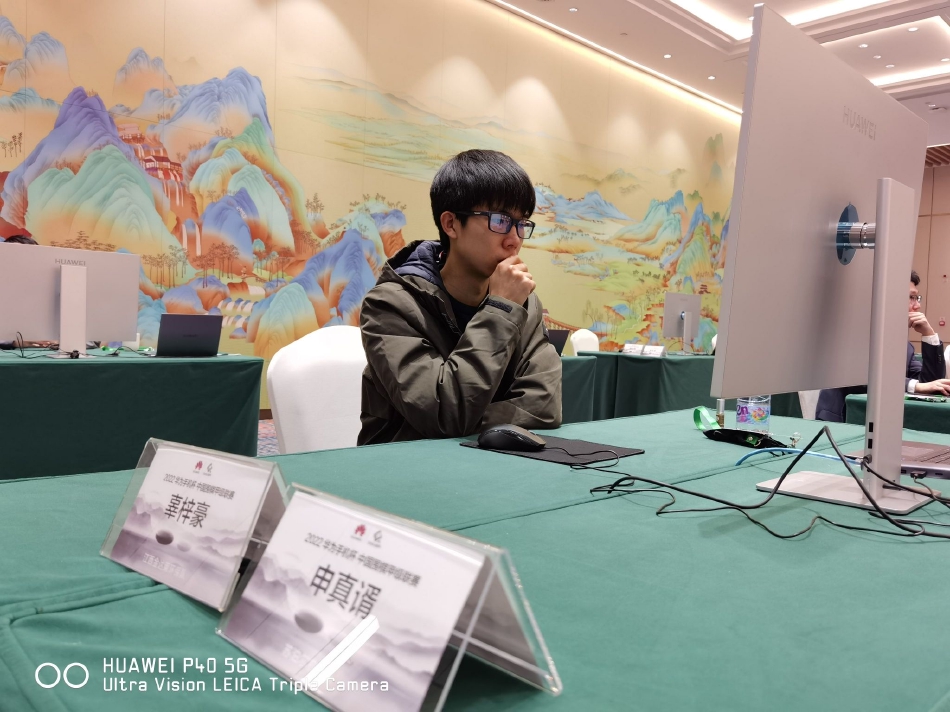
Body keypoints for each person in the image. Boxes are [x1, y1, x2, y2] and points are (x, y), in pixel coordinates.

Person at [358, 149, 562, 445]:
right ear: (451, 224)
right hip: (401, 464)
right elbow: (443, 414)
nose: (514, 239)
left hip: (492, 464)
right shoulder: (390, 305)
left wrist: (466, 424)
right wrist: (501, 309)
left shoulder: (524, 303)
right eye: (500, 220)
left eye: (521, 223)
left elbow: (545, 407)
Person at [816, 270, 949, 421]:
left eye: (917, 298)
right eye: (912, 297)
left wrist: (929, 335)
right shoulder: (853, 333)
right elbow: (862, 376)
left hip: (884, 421)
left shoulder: (905, 346)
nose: (917, 306)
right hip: (842, 421)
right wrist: (914, 386)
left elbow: (931, 384)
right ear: (890, 298)